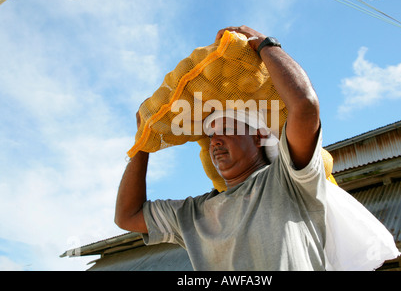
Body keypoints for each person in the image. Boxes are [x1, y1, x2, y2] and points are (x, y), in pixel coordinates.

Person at [114, 25, 327, 270]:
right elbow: (127, 216)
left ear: (258, 137)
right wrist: (143, 140)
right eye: (212, 133)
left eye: (225, 129)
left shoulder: (290, 180)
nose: (215, 140)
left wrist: (263, 43)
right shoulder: (194, 215)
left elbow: (305, 106)